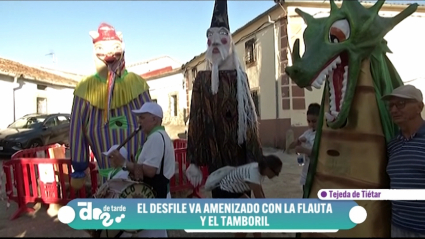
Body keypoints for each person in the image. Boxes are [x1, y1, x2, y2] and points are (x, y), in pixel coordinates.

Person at [185, 0, 262, 198]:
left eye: (222, 35)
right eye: (210, 37)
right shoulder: (202, 81)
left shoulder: (241, 79)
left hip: (240, 162)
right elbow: (195, 120)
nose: (216, 41)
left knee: (243, 206)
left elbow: (250, 123)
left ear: (231, 42)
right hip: (215, 163)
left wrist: (255, 160)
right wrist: (193, 162)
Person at [69, 23, 152, 190]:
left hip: (138, 171)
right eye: (101, 47)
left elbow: (153, 120)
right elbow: (76, 128)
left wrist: (156, 154)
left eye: (115, 47)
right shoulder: (85, 87)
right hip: (106, 174)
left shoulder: (137, 83)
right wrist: (79, 165)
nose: (108, 54)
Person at [109, 102, 175, 238]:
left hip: (155, 196)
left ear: (155, 119)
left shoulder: (156, 138)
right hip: (158, 195)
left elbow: (150, 171)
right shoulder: (157, 136)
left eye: (143, 117)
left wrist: (123, 162)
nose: (139, 121)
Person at [382, 85, 425, 238]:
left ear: (419, 107)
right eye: (391, 106)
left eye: (401, 104)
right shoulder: (393, 145)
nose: (393, 110)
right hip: (398, 227)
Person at [216, 154, 282, 238]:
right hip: (225, 192)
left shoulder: (258, 169)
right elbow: (258, 196)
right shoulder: (254, 174)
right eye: (276, 172)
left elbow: (260, 190)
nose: (277, 175)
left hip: (233, 191)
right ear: (268, 169)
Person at [288, 103, 320, 195]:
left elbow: (319, 153)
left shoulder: (322, 135)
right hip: (306, 174)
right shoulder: (308, 133)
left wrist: (304, 150)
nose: (311, 124)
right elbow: (290, 146)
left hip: (317, 174)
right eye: (308, 121)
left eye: (314, 121)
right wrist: (297, 141)